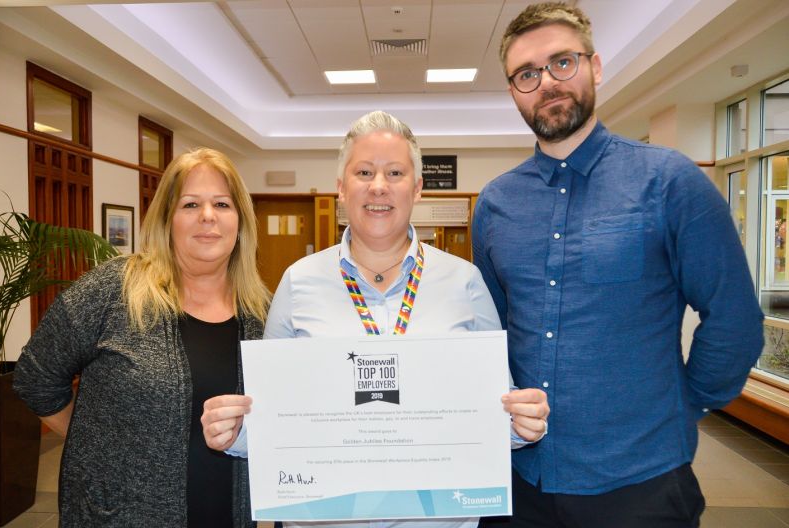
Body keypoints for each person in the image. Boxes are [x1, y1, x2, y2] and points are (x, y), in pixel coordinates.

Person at [471, 3, 765, 528]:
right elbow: (488, 333)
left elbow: (735, 319)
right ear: (513, 90)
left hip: (640, 482)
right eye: (527, 74)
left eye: (563, 62)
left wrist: (684, 404)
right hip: (521, 482)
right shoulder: (495, 204)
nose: (547, 83)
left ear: (596, 67)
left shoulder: (669, 182)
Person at [201, 110, 550, 528]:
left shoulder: (465, 283)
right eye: (364, 171)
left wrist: (522, 424)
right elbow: (271, 417)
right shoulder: (298, 283)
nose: (379, 186)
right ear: (341, 188)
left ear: (417, 188)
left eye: (395, 173)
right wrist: (233, 432)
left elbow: (494, 412)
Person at [13, 148, 271, 527]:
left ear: (241, 221)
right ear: (167, 218)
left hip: (228, 514)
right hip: (121, 516)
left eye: (222, 204)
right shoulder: (113, 290)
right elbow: (35, 379)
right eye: (190, 204)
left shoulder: (261, 312)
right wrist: (99, 448)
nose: (208, 217)